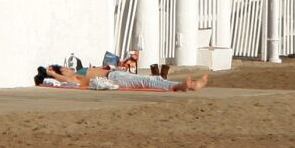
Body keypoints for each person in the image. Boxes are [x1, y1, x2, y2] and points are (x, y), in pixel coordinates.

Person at [41, 63, 208, 92]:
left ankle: (186, 85)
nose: (66, 67)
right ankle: (185, 85)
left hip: (115, 74)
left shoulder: (79, 71)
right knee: (147, 81)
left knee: (150, 80)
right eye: (63, 69)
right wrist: (52, 74)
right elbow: (67, 81)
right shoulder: (75, 78)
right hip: (114, 79)